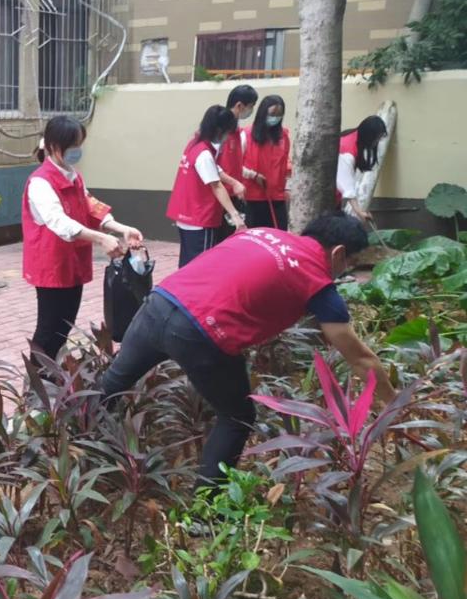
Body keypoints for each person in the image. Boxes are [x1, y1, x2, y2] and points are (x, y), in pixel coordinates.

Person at [100, 214, 396, 488]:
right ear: (338, 253)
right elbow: (360, 359)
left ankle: (84, 453)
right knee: (236, 417)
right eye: (350, 263)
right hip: (199, 333)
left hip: (158, 304)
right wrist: (395, 407)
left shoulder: (259, 232)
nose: (346, 271)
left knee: (110, 386)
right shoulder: (316, 280)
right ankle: (206, 510)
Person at [23, 115, 143, 363]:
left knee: (63, 326)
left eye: (79, 144)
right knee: (48, 328)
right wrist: (101, 239)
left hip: (72, 263)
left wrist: (121, 229)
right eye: (73, 145)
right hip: (51, 265)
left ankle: (52, 376)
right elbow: (59, 223)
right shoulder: (40, 182)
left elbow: (90, 207)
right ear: (54, 146)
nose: (77, 150)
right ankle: (36, 381)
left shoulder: (74, 176)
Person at [167, 105, 246, 267]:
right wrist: (235, 216)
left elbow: (214, 170)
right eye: (227, 132)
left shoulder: (194, 144)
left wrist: (234, 182)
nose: (227, 137)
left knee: (187, 264)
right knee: (201, 265)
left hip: (186, 216)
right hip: (200, 218)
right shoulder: (204, 153)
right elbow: (216, 186)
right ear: (220, 130)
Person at [243, 95, 291, 230]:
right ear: (263, 113)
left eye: (279, 115)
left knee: (278, 234)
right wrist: (253, 175)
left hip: (277, 197)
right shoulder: (246, 134)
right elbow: (235, 165)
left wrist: (288, 188)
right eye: (272, 114)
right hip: (252, 197)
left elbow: (286, 163)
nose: (275, 118)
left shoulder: (283, 136)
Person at [337, 115, 388, 221]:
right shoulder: (347, 151)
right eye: (376, 139)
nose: (376, 142)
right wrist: (359, 211)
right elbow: (347, 185)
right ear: (369, 136)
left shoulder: (353, 135)